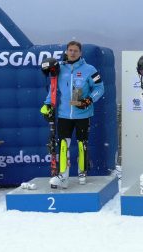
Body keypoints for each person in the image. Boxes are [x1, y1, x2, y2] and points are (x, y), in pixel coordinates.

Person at [40, 41, 104, 189]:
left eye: (76, 50)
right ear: (67, 51)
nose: (73, 53)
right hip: (64, 114)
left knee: (82, 144)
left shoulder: (90, 69)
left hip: (83, 113)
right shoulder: (59, 68)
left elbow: (100, 88)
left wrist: (89, 99)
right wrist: (47, 104)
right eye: (70, 50)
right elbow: (53, 89)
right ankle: (63, 175)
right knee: (63, 144)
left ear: (80, 53)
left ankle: (82, 172)